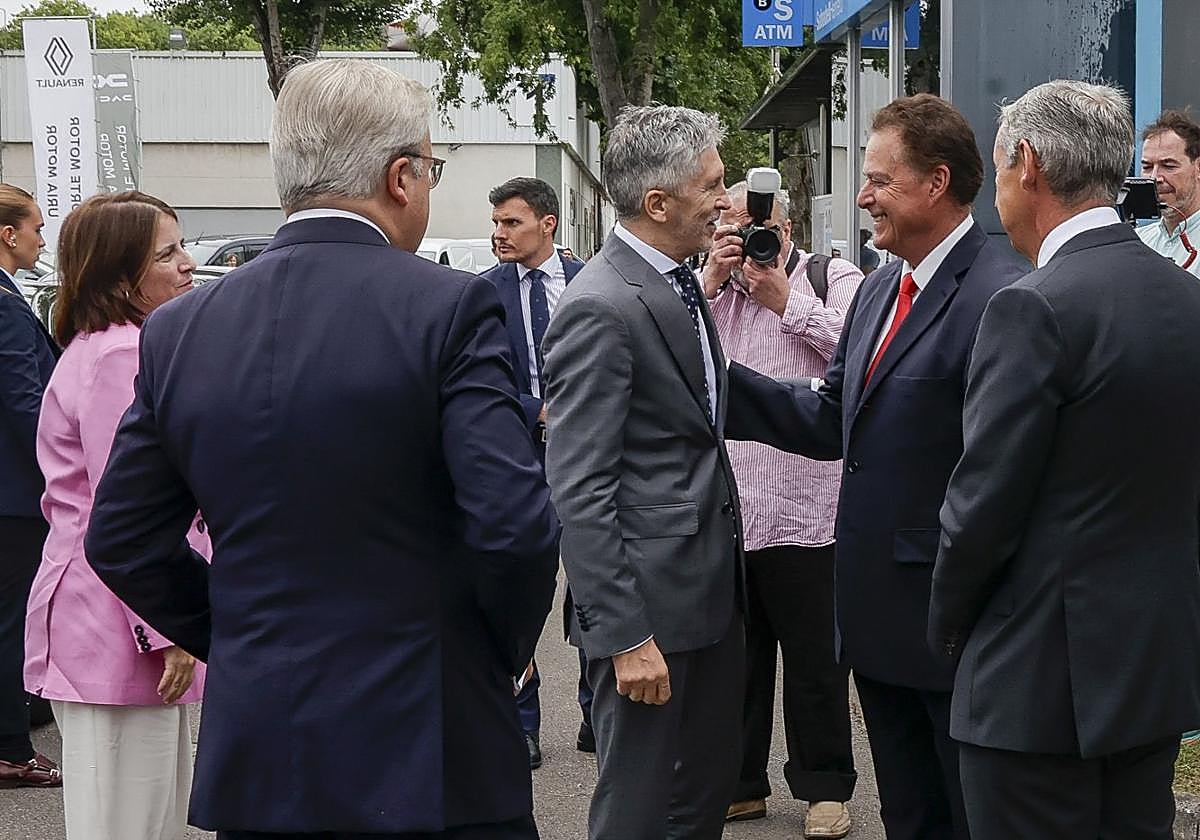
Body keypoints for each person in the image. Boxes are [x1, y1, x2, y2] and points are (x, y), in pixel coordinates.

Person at [83, 58, 560, 840]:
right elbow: (513, 524)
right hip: (431, 740)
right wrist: (490, 650)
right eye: (431, 169)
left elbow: (123, 539)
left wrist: (234, 632)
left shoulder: (179, 330)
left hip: (267, 751)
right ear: (401, 177)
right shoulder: (449, 307)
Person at [723, 94, 1027, 840]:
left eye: (879, 180)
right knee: (911, 819)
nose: (862, 197)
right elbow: (833, 420)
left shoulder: (1001, 296)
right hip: (879, 630)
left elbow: (1000, 480)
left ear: (937, 181)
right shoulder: (883, 288)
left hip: (954, 633)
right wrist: (708, 379)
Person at [928, 79, 1200, 840]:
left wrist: (948, 632)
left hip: (1034, 685)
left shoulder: (1033, 305)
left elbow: (981, 507)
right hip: (1152, 670)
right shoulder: (1186, 300)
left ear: (1027, 163)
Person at [542, 105, 744, 840]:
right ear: (658, 204)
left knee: (698, 799)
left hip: (706, 604)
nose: (727, 201)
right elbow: (580, 486)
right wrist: (625, 637)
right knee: (640, 810)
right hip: (649, 619)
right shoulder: (600, 305)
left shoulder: (674, 282)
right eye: (713, 185)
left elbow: (711, 402)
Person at [24, 191, 205, 838]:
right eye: (169, 252)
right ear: (122, 277)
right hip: (124, 629)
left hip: (113, 624)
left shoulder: (118, 348)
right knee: (133, 824)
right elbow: (124, 508)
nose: (188, 263)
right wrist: (170, 629)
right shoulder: (120, 357)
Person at [704, 181, 862, 839]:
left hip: (809, 507)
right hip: (733, 508)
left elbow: (859, 358)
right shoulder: (712, 291)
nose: (746, 239)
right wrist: (711, 280)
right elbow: (687, 365)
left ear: (787, 226)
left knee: (816, 666)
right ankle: (740, 784)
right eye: (730, 224)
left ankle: (825, 788)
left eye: (754, 224)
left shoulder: (833, 277)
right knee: (734, 661)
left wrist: (787, 301)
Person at [481, 176, 588, 768]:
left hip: (589, 456)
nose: (499, 233)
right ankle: (522, 723)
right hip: (519, 457)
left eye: (511, 222)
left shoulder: (588, 282)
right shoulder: (482, 293)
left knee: (595, 580)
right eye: (496, 222)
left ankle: (598, 713)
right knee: (522, 589)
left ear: (548, 223)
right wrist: (534, 409)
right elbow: (480, 380)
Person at [0, 184, 60, 790]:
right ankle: (11, 751)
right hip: (15, 496)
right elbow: (25, 401)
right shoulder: (3, 303)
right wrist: (61, 472)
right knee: (9, 622)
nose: (42, 240)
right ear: (7, 235)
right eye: (37, 229)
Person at [1137, 109, 1200, 277]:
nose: (1154, 177)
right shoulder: (1138, 240)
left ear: (1198, 168)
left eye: (1169, 166)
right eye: (1147, 167)